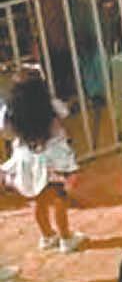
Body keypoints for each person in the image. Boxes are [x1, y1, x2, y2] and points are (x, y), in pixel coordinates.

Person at [1, 72, 82, 252]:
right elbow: (64, 116)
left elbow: (6, 133)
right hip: (54, 157)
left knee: (39, 200)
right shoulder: (50, 104)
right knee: (60, 197)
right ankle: (66, 238)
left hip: (26, 157)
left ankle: (47, 236)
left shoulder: (9, 111)